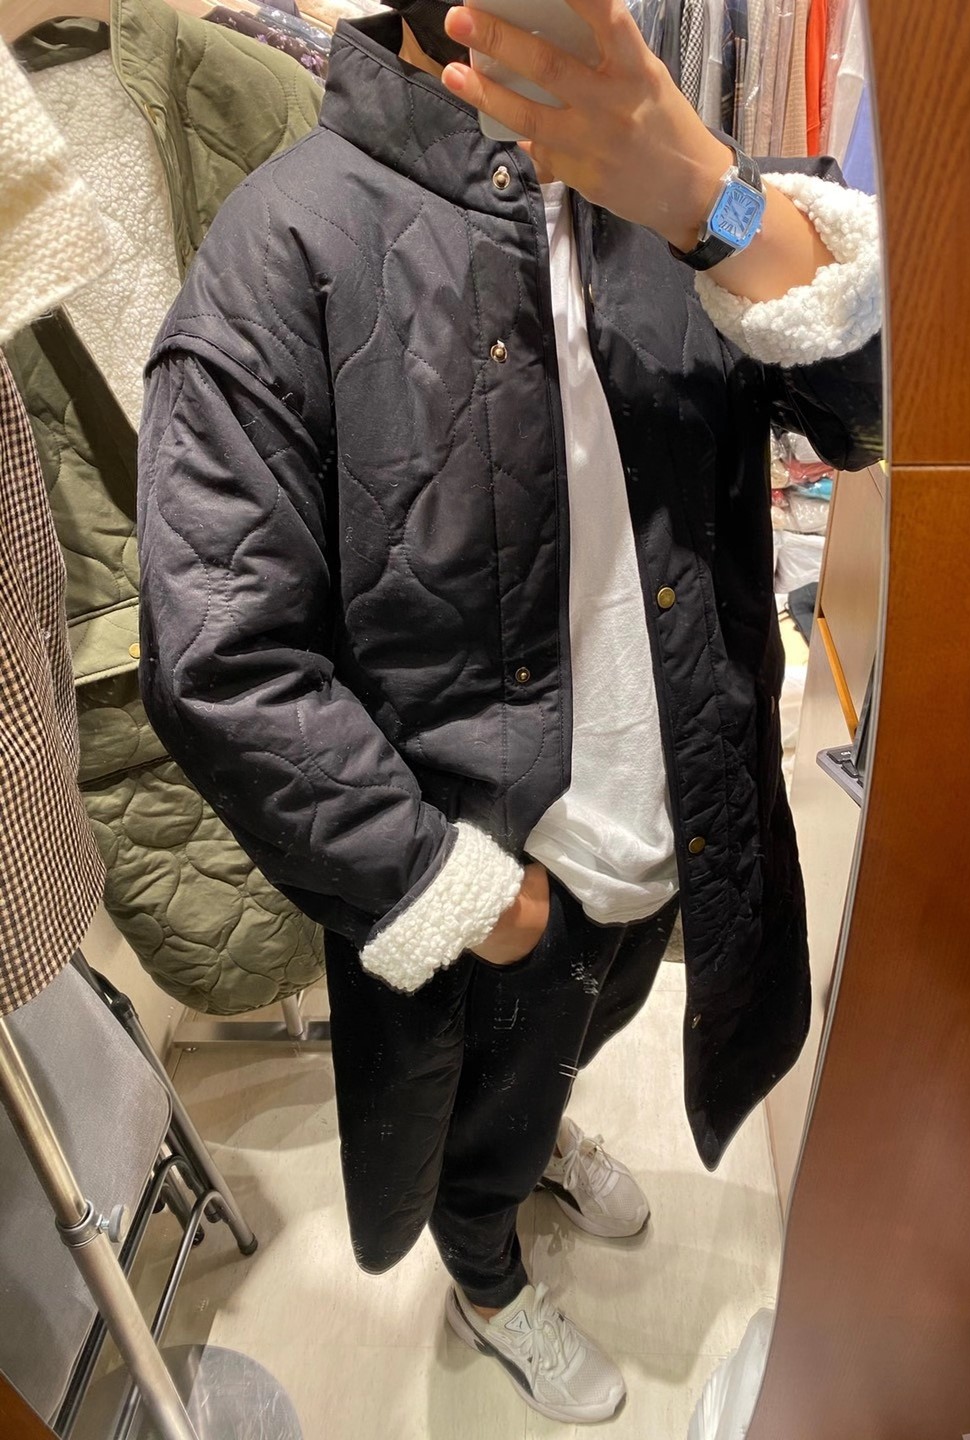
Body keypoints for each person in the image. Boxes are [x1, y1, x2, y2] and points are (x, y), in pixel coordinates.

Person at [137, 0, 882, 1423]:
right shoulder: (286, 243)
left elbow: (870, 412)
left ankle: (534, 1147)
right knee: (486, 1103)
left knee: (574, 1051)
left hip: (676, 823)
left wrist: (706, 198)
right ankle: (485, 1274)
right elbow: (219, 653)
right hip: (495, 872)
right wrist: (451, 886)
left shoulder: (672, 180)